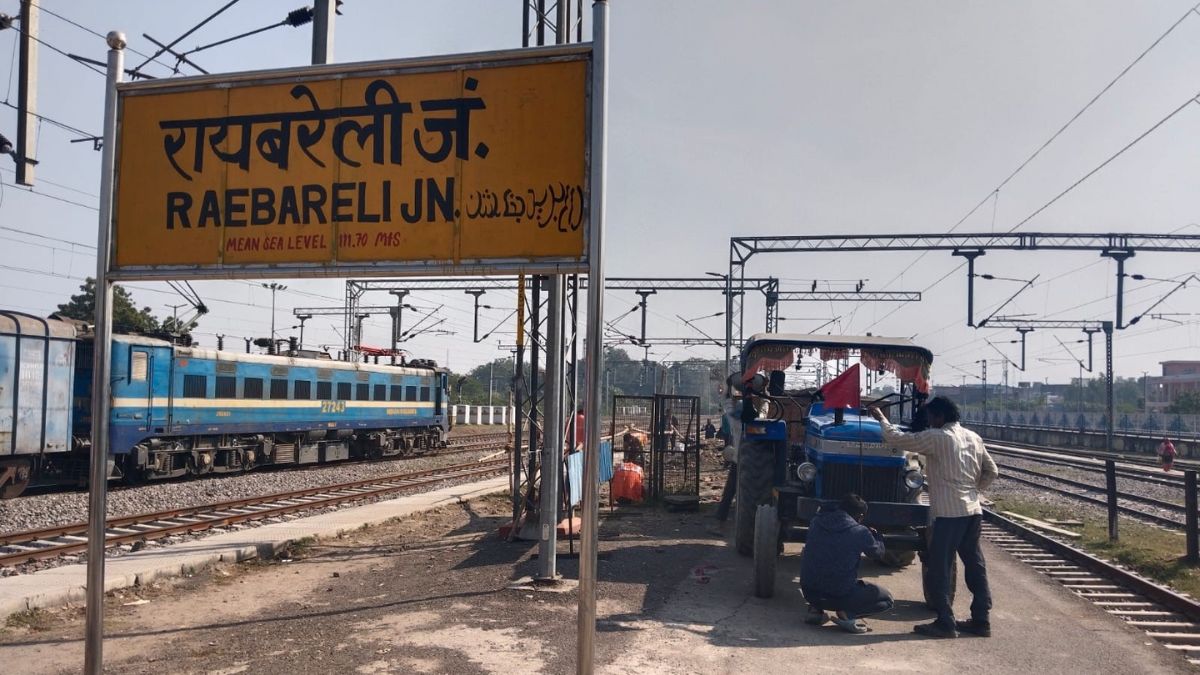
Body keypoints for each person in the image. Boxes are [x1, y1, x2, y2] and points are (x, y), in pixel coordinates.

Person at [869, 396, 998, 639]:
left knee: (940, 566)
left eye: (929, 417)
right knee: (975, 564)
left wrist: (882, 419)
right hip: (973, 511)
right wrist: (973, 491)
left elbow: (897, 439)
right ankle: (981, 620)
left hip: (949, 513)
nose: (928, 421)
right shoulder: (974, 437)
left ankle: (945, 622)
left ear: (938, 416)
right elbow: (992, 471)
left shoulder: (937, 437)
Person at [800, 493, 894, 633]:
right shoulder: (860, 531)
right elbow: (878, 554)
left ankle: (815, 609)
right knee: (887, 599)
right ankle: (847, 614)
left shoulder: (816, 522)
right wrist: (877, 536)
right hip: (839, 595)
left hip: (809, 593)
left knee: (820, 566)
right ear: (860, 516)